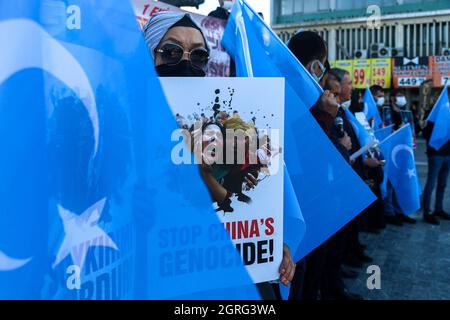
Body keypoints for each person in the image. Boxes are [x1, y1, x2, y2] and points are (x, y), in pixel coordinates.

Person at [144, 11, 295, 298]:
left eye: (199, 56)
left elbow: (240, 203)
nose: (186, 63)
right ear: (148, 58)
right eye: (172, 52)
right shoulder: (121, 131)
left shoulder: (217, 127)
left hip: (227, 280)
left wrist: (270, 244)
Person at [421, 116, 450, 225]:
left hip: (448, 154)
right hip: (435, 154)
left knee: (442, 184)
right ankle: (427, 212)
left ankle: (439, 209)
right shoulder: (432, 115)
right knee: (431, 183)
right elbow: (424, 134)